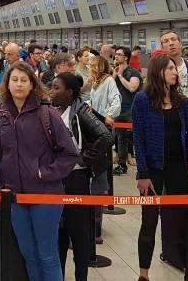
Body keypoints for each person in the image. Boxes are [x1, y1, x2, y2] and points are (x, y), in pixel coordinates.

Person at [0, 62, 79, 281]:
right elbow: (0, 156)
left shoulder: (47, 113)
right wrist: (1, 190)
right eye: (14, 80)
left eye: (24, 80)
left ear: (32, 84)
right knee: (29, 255)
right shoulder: (3, 114)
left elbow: (70, 154)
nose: (19, 84)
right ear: (7, 84)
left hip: (45, 195)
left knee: (47, 255)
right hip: (14, 197)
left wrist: (45, 174)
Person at [132, 50, 188, 281]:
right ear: (159, 72)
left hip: (178, 167)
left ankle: (187, 268)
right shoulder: (142, 100)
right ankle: (143, 274)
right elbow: (138, 140)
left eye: (175, 68)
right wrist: (142, 173)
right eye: (170, 69)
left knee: (183, 219)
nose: (175, 72)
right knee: (149, 222)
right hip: (152, 169)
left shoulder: (182, 101)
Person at [50, 73, 111, 281]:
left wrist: (84, 160)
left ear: (69, 93)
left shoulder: (81, 111)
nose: (51, 91)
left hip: (76, 180)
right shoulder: (50, 110)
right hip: (55, 180)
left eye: (56, 88)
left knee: (77, 233)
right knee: (58, 233)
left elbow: (105, 136)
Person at [84, 55, 119, 243]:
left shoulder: (109, 81)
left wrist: (109, 116)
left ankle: (96, 225)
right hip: (94, 126)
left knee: (100, 172)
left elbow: (116, 101)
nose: (91, 68)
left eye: (94, 65)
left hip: (103, 128)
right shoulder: (96, 83)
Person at [112, 46, 141, 175]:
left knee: (135, 137)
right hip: (118, 111)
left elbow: (132, 88)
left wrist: (120, 76)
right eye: (115, 54)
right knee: (121, 139)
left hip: (131, 110)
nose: (116, 56)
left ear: (126, 57)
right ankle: (122, 165)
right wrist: (114, 76)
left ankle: (142, 166)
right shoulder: (114, 71)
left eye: (119, 54)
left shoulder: (133, 73)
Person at [159, 29, 188, 96]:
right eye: (166, 41)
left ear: (180, 44)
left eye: (173, 39)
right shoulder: (160, 68)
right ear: (162, 48)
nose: (171, 43)